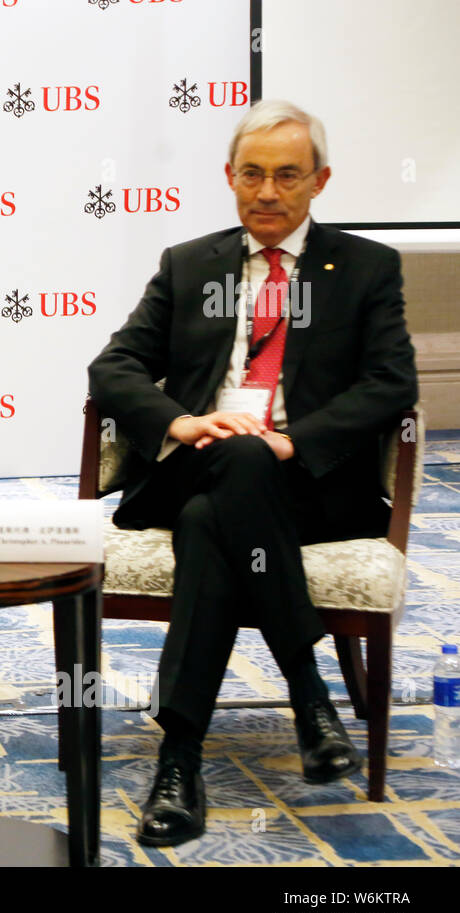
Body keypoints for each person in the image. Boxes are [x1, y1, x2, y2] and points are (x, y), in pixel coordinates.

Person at [88, 100, 417, 847]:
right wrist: (181, 421)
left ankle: (178, 760)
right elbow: (114, 365)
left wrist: (293, 441)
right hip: (197, 462)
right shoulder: (189, 263)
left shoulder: (366, 269)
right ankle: (309, 691)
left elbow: (391, 383)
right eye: (252, 174)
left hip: (310, 486)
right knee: (230, 459)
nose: (267, 192)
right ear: (229, 177)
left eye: (287, 175)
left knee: (213, 521)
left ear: (320, 181)